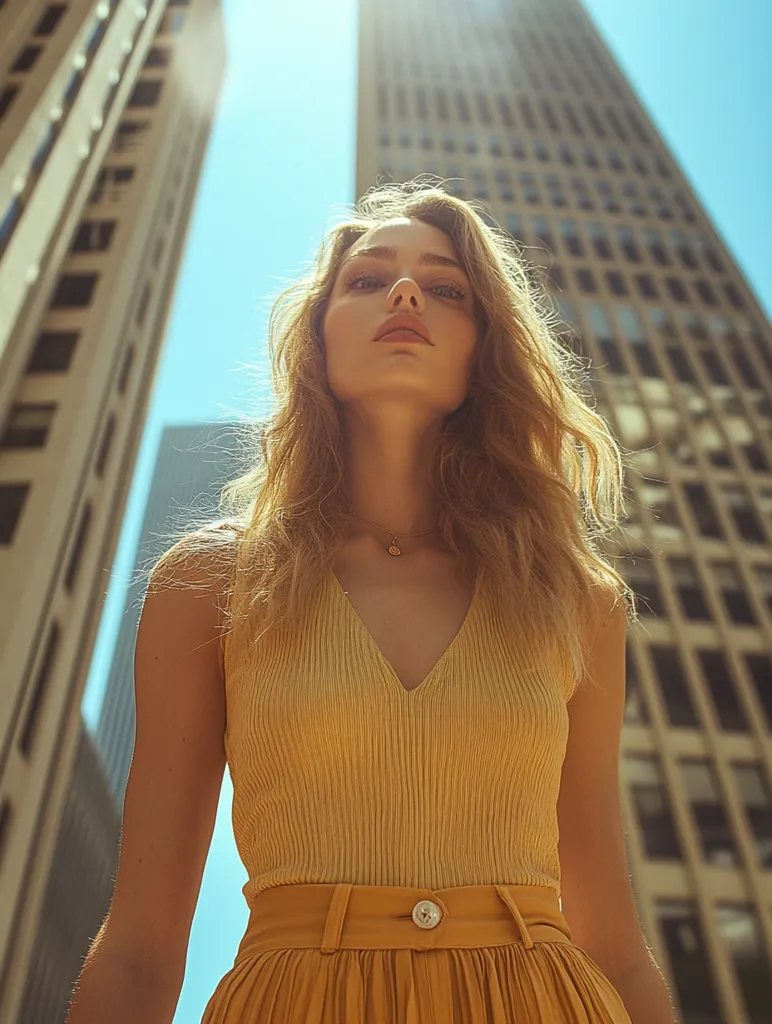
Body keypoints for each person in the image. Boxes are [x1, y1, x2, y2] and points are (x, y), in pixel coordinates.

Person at [66, 179, 678, 1023]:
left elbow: (612, 943)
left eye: (446, 287)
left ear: (482, 349)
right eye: (366, 279)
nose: (404, 293)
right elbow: (139, 948)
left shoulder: (575, 601)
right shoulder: (208, 584)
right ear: (317, 342)